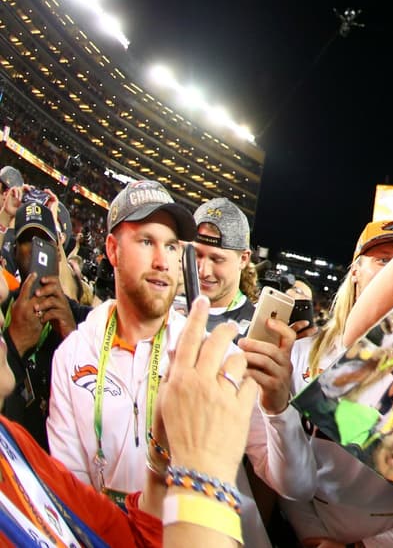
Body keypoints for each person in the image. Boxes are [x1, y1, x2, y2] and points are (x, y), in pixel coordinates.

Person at [46, 179, 316, 547]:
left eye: (171, 246)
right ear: (112, 248)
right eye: (146, 241)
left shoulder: (215, 354)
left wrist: (277, 408)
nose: (162, 260)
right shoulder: (74, 353)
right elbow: (69, 488)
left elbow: (297, 486)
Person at [280, 218, 393, 548]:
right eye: (383, 261)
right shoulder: (301, 355)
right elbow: (282, 458)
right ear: (355, 271)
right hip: (315, 530)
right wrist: (311, 535)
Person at [1, 199, 89, 450]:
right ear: (14, 250)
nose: (33, 250)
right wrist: (14, 342)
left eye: (43, 242)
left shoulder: (84, 320)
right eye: (27, 240)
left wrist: (73, 338)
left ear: (57, 253)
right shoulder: (3, 307)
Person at [191, 197, 256, 337]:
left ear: (243, 259)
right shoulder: (167, 309)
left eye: (217, 259)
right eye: (197, 255)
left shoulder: (256, 331)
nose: (203, 271)